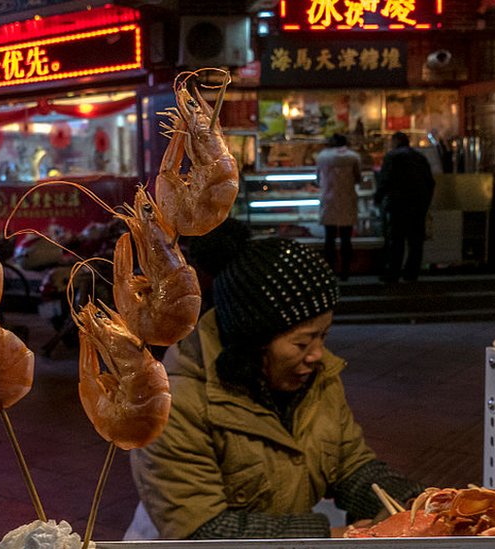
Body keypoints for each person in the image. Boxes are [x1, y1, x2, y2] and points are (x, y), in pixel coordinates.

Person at [127, 235, 422, 540]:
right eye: (302, 342)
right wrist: (330, 536)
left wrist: (414, 504)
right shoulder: (175, 405)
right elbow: (204, 531)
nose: (317, 354)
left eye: (324, 336)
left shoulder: (318, 378)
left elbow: (350, 466)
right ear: (254, 341)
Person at [374, 132, 436, 283]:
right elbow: (430, 182)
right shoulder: (420, 157)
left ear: (395, 142)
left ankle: (393, 273)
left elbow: (385, 179)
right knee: (415, 241)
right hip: (418, 204)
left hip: (398, 203)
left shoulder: (392, 157)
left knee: (396, 240)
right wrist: (425, 202)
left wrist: (378, 198)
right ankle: (411, 273)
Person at [315, 134, 362, 280]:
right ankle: (345, 272)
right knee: (345, 239)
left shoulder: (322, 157)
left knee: (329, 239)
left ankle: (329, 271)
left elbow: (318, 179)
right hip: (347, 200)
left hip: (329, 200)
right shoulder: (353, 157)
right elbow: (358, 178)